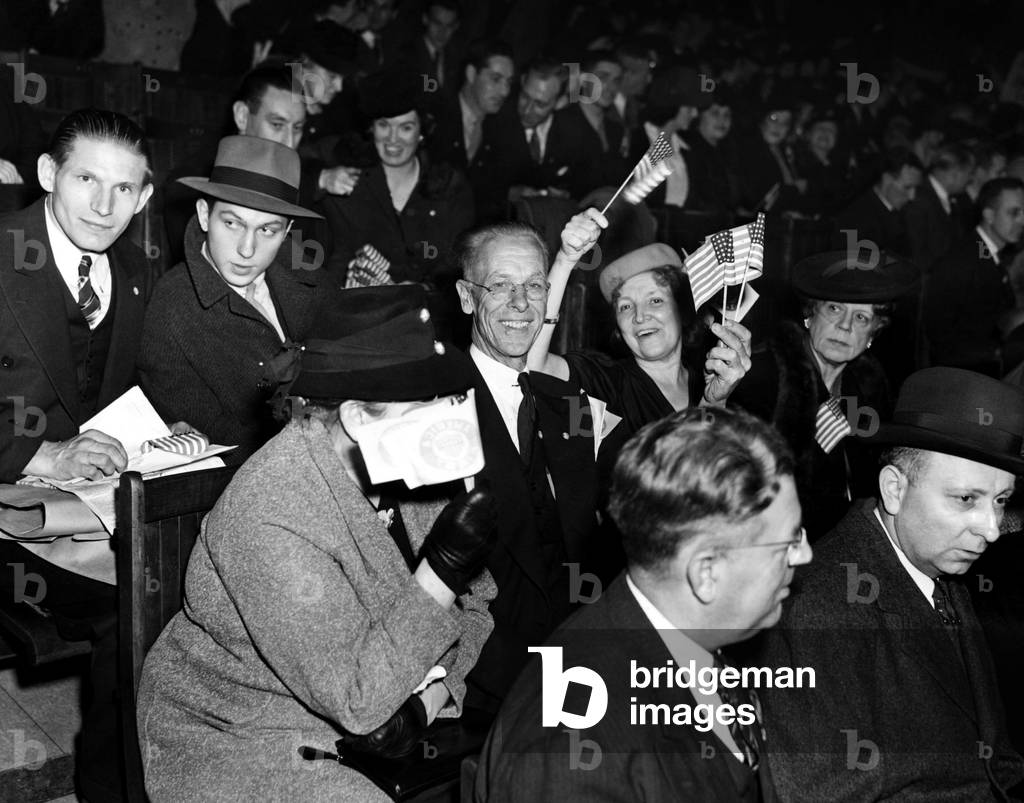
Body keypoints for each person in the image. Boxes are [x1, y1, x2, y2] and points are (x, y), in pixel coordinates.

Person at [137, 284, 498, 801]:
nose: (444, 423)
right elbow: (362, 702)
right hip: (243, 733)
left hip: (379, 714)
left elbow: (477, 605)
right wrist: (439, 572)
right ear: (354, 417)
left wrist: (430, 697)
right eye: (425, 404)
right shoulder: (271, 507)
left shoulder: (407, 464)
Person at [474, 406, 811, 801]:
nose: (804, 555)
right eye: (788, 543)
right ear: (705, 573)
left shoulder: (688, 639)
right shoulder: (574, 750)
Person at [753, 367, 1024, 801]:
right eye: (966, 500)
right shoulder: (815, 610)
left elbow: (996, 768)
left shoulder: (939, 569)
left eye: (1001, 502)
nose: (991, 530)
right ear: (894, 489)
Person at [0, 108, 156, 802]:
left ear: (145, 196)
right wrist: (39, 456)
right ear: (46, 174)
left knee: (170, 583)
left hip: (73, 513)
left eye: (124, 188)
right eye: (86, 178)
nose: (104, 204)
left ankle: (115, 783)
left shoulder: (134, 277)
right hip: (12, 503)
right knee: (133, 608)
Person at [452, 221, 601, 717]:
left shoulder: (566, 406)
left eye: (534, 286)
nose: (521, 303)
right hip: (482, 689)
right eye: (500, 285)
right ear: (467, 298)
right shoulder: (435, 410)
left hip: (576, 673)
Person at [139, 135, 338, 463]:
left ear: (287, 231)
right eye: (232, 223)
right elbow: (222, 454)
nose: (247, 250)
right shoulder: (169, 313)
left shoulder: (309, 275)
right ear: (204, 215)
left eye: (267, 231)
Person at [528, 213, 753, 482]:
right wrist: (564, 261)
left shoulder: (713, 382)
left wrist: (715, 402)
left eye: (655, 300)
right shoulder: (602, 383)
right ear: (619, 331)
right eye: (625, 307)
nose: (639, 316)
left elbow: (706, 477)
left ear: (681, 311)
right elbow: (533, 364)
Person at [730, 249, 918, 540]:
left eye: (861, 318)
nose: (844, 326)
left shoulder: (869, 387)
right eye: (834, 309)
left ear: (873, 335)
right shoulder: (762, 377)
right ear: (809, 314)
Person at [319, 66, 473, 336]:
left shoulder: (449, 187)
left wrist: (412, 291)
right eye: (383, 125)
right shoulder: (349, 185)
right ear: (371, 129)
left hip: (431, 327)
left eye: (406, 127)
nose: (392, 138)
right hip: (359, 325)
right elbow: (335, 266)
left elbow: (457, 272)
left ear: (421, 132)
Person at [925, 176, 1024, 376]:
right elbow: (943, 342)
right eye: (1014, 213)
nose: (1022, 221)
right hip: (965, 380)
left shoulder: (983, 251)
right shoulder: (963, 262)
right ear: (989, 214)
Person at [833, 147, 924, 258]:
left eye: (915, 188)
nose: (912, 196)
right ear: (886, 179)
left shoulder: (899, 212)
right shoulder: (857, 217)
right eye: (907, 187)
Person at [903, 141, 974, 275]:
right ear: (955, 173)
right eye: (969, 173)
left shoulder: (953, 200)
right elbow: (918, 254)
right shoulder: (919, 200)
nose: (970, 179)